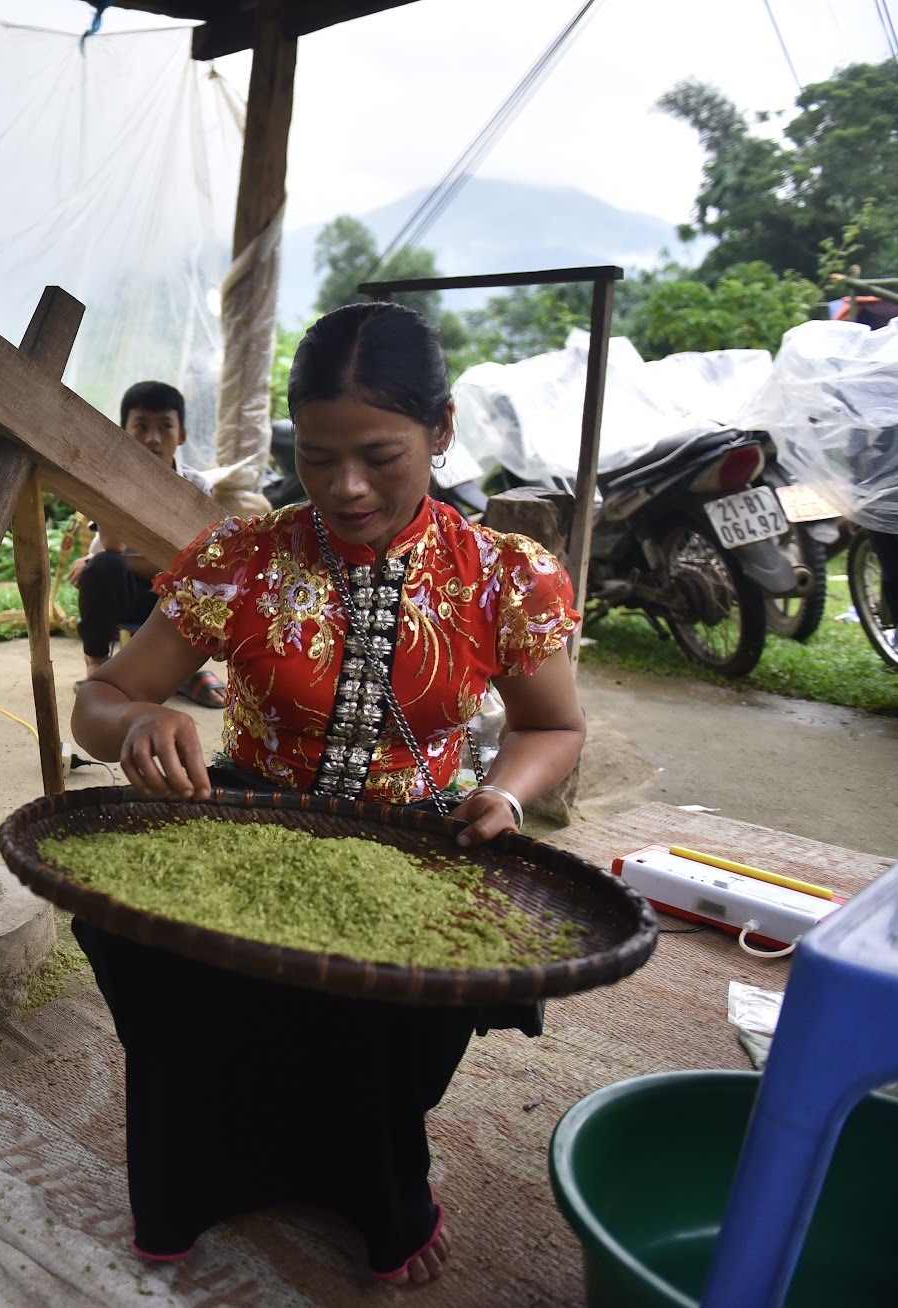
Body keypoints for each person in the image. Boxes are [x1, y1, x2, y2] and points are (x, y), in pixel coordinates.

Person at [70, 303, 586, 1286]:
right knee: (173, 981)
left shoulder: (506, 576)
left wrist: (506, 797)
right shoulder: (243, 559)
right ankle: (193, 1181)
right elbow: (100, 698)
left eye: (381, 455)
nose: (345, 488)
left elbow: (550, 727)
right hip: (246, 825)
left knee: (388, 1025)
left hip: (421, 838)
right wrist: (138, 724)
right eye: (315, 458)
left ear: (439, 431)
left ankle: (371, 1182)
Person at [66, 381, 225, 708]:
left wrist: (143, 563)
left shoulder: (196, 486)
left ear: (181, 435)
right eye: (141, 427)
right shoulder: (110, 480)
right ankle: (96, 668)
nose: (153, 439)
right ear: (124, 432)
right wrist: (127, 486)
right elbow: (112, 547)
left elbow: (193, 562)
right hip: (123, 592)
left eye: (165, 427)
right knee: (103, 568)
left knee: (201, 579)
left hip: (168, 595)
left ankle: (180, 672)